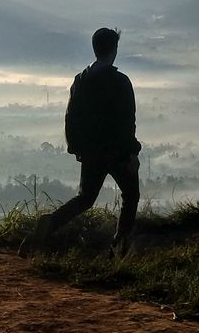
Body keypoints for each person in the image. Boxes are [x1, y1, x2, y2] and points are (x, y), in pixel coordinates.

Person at [29, 27, 141, 256]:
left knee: (85, 198)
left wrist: (76, 147)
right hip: (117, 152)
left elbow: (71, 116)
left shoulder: (81, 80)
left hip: (91, 152)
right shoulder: (120, 81)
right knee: (131, 196)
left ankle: (49, 224)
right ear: (114, 50)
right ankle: (119, 248)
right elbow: (126, 121)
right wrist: (132, 152)